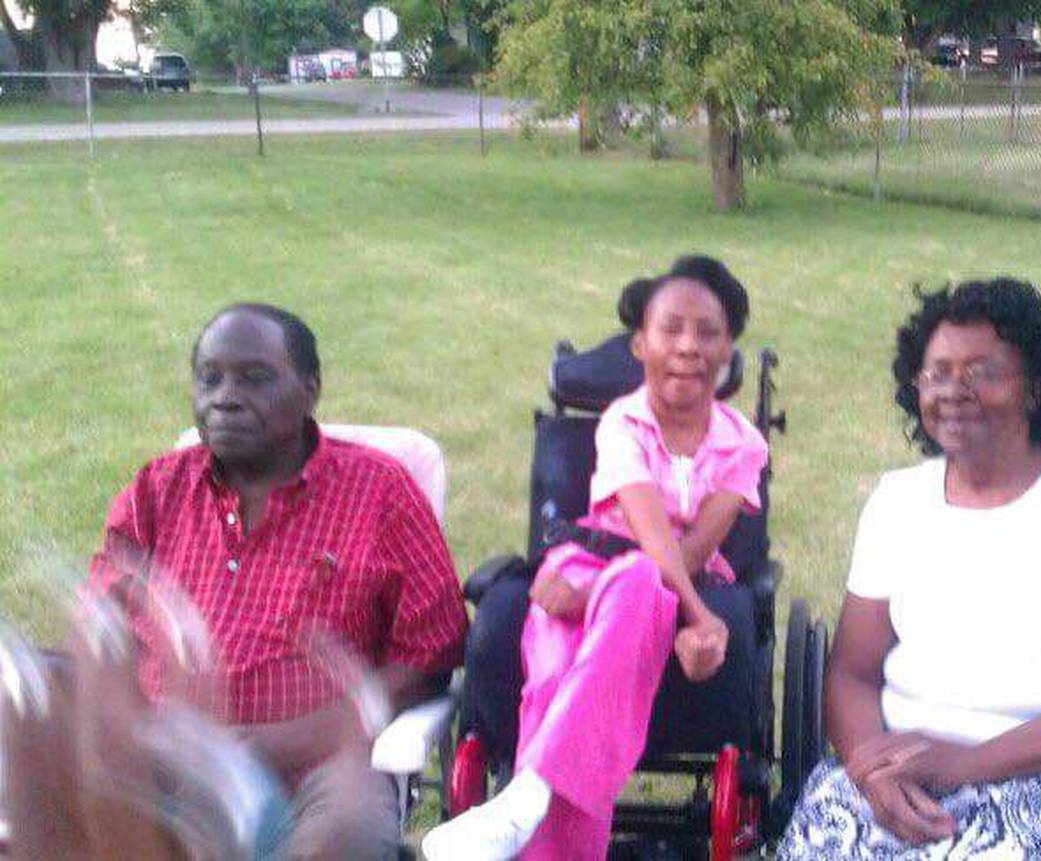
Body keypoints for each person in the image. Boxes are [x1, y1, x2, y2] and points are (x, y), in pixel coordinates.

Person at [778, 278, 1041, 859]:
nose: (954, 391)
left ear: (1034, 390)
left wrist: (967, 763)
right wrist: (871, 771)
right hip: (905, 780)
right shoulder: (896, 502)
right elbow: (851, 674)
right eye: (937, 373)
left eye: (983, 373)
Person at [87, 302, 469, 860]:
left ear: (310, 389)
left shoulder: (380, 493)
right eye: (209, 377)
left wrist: (287, 738)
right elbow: (100, 628)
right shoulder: (157, 490)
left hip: (323, 763)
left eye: (255, 377)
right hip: (169, 760)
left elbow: (430, 659)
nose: (225, 395)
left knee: (345, 836)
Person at [422, 256, 768, 861]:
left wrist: (694, 614)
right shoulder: (622, 422)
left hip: (677, 578)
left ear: (729, 349)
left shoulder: (743, 444)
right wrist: (649, 606)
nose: (688, 347)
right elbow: (643, 522)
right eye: (671, 329)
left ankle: (527, 794)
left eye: (708, 332)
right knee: (555, 677)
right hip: (590, 567)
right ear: (641, 343)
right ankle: (535, 806)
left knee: (637, 578)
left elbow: (690, 550)